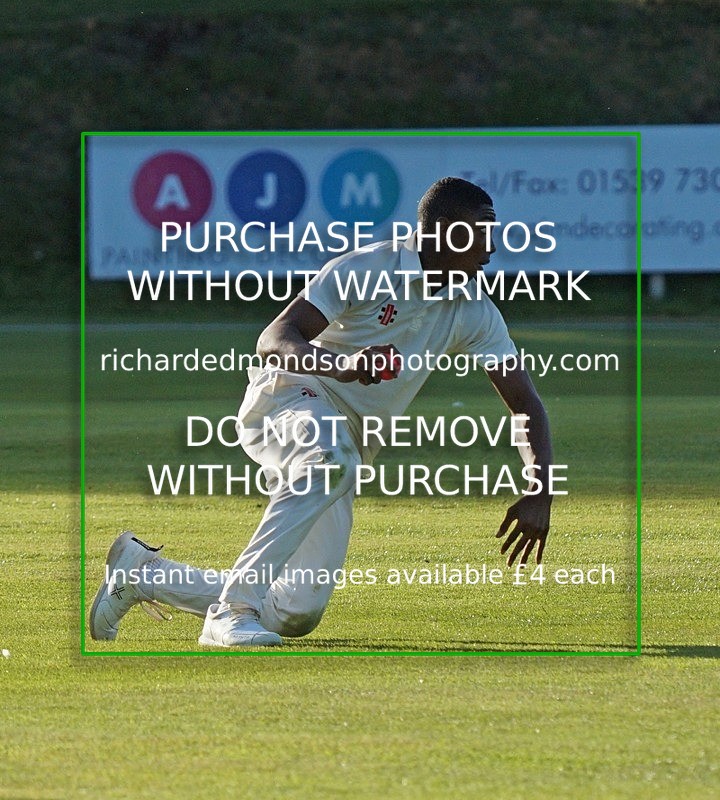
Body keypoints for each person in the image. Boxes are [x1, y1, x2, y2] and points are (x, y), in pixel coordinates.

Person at [89, 177, 554, 648]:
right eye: (482, 231)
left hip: (345, 447)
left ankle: (144, 575)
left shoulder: (475, 310)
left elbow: (525, 403)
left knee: (295, 611)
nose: (492, 247)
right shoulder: (370, 266)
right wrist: (345, 367)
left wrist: (541, 488)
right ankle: (229, 614)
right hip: (288, 399)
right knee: (329, 458)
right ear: (444, 231)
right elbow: (275, 338)